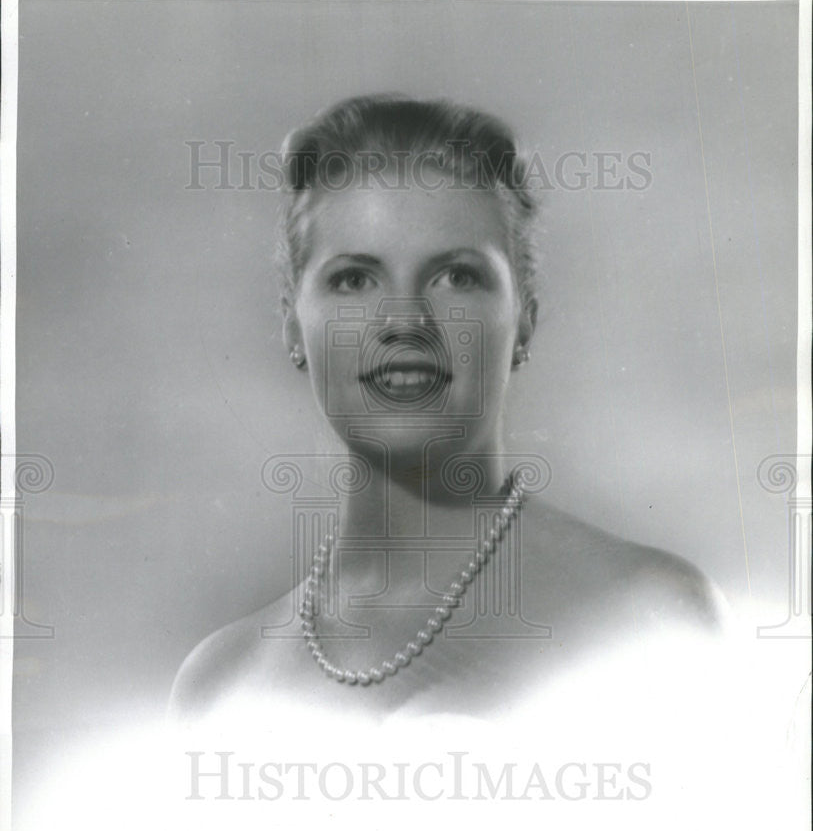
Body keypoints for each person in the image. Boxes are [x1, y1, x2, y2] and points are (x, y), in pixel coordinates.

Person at [169, 94, 726, 726]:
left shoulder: (650, 618)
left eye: (456, 277)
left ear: (524, 321)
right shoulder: (219, 683)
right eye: (354, 279)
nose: (404, 320)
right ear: (294, 326)